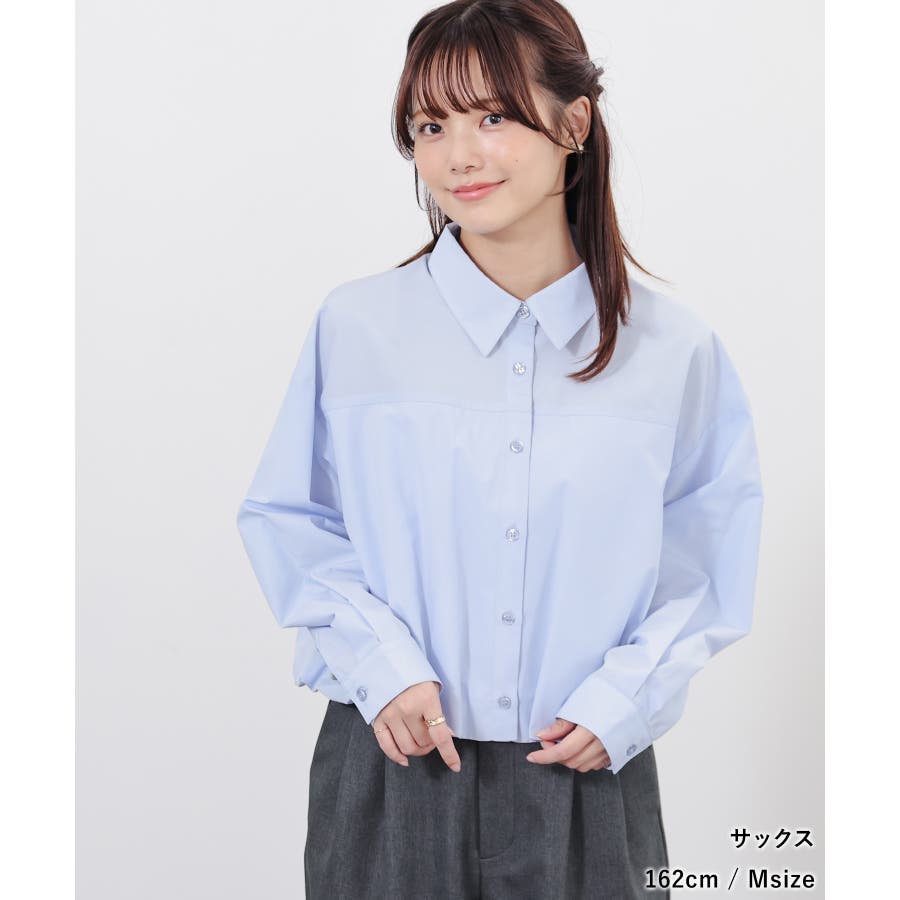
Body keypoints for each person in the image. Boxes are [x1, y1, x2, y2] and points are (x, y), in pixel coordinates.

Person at [236, 1, 764, 897]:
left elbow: (705, 558)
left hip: (587, 770)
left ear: (574, 122)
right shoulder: (358, 327)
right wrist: (382, 669)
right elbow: (292, 518)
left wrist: (624, 698)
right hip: (394, 762)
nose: (459, 155)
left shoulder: (672, 350)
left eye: (492, 116)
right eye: (430, 126)